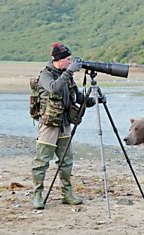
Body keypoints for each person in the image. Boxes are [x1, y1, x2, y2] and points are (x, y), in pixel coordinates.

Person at [31, 42, 94, 209]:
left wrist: (91, 100)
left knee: (66, 161)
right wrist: (69, 71)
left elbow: (76, 96)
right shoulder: (46, 75)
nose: (70, 62)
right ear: (59, 60)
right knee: (42, 161)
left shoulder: (67, 76)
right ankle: (37, 194)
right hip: (49, 124)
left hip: (65, 123)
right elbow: (53, 89)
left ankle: (67, 193)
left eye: (70, 59)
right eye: (68, 59)